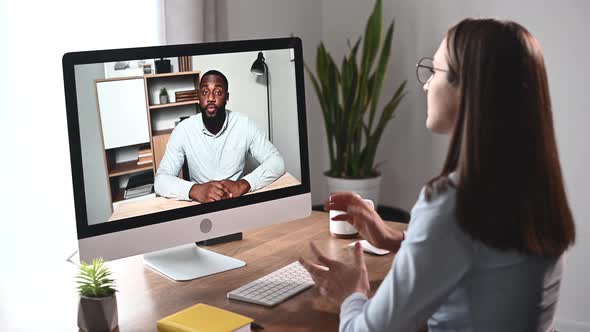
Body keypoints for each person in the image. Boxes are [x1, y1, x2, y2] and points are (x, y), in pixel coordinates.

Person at [300, 18, 576, 331]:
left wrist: (351, 294)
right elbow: (485, 263)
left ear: (469, 87)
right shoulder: (531, 184)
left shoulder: (456, 202)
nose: (426, 84)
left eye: (435, 71)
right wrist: (400, 241)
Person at [154, 70, 285, 203]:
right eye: (205, 92)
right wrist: (194, 190)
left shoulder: (244, 125)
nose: (210, 98)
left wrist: (243, 184)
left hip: (236, 200)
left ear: (227, 97)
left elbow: (276, 161)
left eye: (218, 92)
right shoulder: (183, 130)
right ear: (199, 97)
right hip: (200, 204)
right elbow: (160, 180)